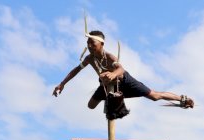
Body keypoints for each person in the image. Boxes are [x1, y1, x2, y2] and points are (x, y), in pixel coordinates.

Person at [53, 30, 194, 121]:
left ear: (101, 43)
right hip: (106, 87)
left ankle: (182, 99)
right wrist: (62, 84)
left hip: (124, 81)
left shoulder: (109, 56)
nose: (89, 46)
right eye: (88, 43)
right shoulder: (89, 59)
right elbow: (75, 70)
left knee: (155, 96)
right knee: (91, 105)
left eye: (92, 43)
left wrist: (113, 74)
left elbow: (120, 68)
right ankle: (113, 99)